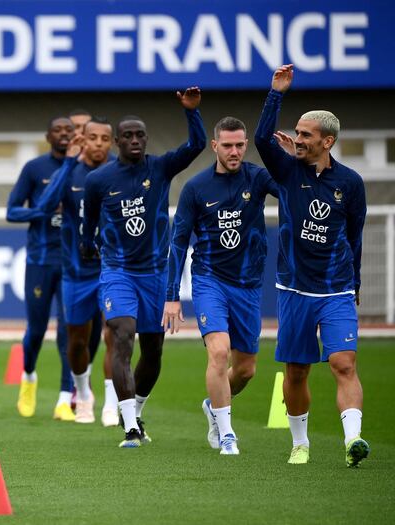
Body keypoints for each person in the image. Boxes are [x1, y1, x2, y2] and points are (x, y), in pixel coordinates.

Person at [255, 65, 369, 467]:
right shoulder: (287, 173)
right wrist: (276, 93)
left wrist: (354, 283)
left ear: (328, 141)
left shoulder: (351, 183)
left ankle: (352, 441)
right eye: (297, 133)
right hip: (295, 289)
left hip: (336, 289)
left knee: (343, 363)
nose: (297, 139)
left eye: (305, 135)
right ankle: (300, 443)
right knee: (297, 370)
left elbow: (354, 236)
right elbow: (261, 138)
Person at [81, 88, 206, 448]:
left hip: (155, 273)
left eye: (140, 135)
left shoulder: (161, 167)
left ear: (146, 140)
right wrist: (88, 246)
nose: (135, 140)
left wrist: (192, 112)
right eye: (128, 136)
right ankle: (130, 426)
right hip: (118, 270)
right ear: (117, 141)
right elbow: (88, 222)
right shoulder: (99, 180)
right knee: (123, 335)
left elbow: (196, 145)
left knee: (153, 351)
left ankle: (136, 409)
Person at [163, 117, 279, 455]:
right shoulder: (196, 188)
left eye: (240, 145)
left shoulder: (257, 177)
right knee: (218, 352)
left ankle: (213, 405)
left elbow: (291, 188)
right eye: (227, 145)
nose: (234, 151)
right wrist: (172, 297)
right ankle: (227, 433)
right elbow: (177, 242)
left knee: (245, 370)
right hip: (209, 279)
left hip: (248, 284)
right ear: (215, 146)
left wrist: (286, 155)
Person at [36, 117, 116, 424]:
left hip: (113, 270)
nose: (96, 143)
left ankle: (112, 403)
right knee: (77, 341)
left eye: (102, 138)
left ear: (110, 142)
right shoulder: (71, 173)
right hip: (76, 271)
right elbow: (45, 207)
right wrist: (68, 164)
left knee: (117, 335)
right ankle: (83, 394)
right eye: (90, 137)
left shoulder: (119, 173)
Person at [7, 117, 75, 421]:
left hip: (74, 263)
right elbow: (11, 210)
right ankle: (29, 377)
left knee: (67, 331)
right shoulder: (35, 168)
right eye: (58, 130)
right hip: (40, 262)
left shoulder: (85, 169)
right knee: (36, 331)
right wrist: (41, 211)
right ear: (48, 136)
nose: (64, 134)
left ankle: (64, 398)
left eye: (69, 130)